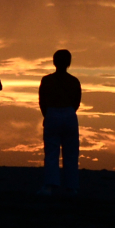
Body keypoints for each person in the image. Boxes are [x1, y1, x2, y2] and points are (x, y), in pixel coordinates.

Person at [38, 49, 82, 195]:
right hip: (69, 114)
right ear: (69, 63)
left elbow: (42, 101)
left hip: (53, 113)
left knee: (51, 152)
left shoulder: (47, 80)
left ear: (54, 62)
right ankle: (72, 187)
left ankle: (50, 185)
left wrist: (48, 115)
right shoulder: (74, 81)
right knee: (71, 153)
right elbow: (77, 102)